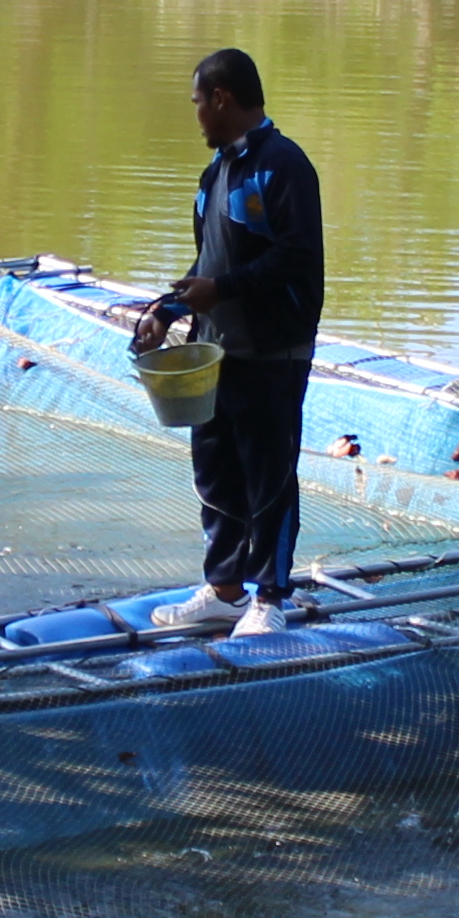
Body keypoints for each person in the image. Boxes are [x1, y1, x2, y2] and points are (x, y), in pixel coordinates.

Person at [142, 46, 324, 635]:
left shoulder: (284, 165)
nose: (195, 115)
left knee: (269, 474)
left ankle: (269, 599)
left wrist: (219, 288)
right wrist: (165, 311)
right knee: (216, 471)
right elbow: (208, 262)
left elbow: (297, 258)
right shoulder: (215, 173)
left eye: (198, 102)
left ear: (221, 98)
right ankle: (223, 588)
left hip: (274, 349)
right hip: (217, 352)